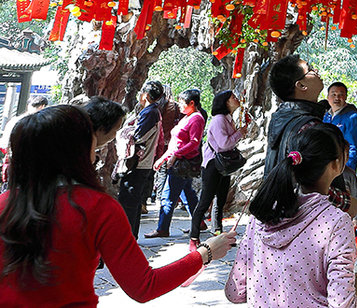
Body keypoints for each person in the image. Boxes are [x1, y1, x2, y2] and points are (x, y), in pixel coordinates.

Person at [0, 105, 236, 306]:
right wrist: (205, 253)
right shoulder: (98, 209)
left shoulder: (4, 203)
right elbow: (144, 286)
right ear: (78, 148)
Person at [225, 123, 357, 307]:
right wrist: (356, 290)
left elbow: (235, 293)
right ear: (336, 164)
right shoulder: (336, 222)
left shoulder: (262, 215)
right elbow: (341, 304)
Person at [190, 90, 246, 249]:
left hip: (223, 165)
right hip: (213, 165)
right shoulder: (219, 120)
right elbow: (224, 144)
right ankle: (193, 237)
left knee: (220, 200)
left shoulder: (228, 119)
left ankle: (218, 233)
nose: (236, 99)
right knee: (205, 201)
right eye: (233, 98)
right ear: (225, 102)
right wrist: (240, 133)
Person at [147, 89, 205, 239]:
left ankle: (162, 228)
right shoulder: (187, 117)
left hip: (182, 163)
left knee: (168, 196)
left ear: (192, 103)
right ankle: (199, 222)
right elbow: (176, 143)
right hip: (177, 159)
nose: (179, 105)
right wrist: (163, 158)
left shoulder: (196, 119)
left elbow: (194, 143)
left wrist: (175, 156)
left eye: (182, 102)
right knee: (187, 194)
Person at [265, 55, 330, 175]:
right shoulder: (308, 126)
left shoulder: (281, 117)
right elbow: (315, 180)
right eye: (310, 69)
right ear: (301, 85)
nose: (316, 71)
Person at [117, 81, 164, 237]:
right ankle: (131, 236)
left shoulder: (150, 112)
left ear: (146, 95)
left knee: (128, 200)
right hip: (143, 162)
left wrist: (125, 131)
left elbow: (138, 136)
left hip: (138, 163)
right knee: (133, 200)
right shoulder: (152, 111)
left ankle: (127, 237)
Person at [323, 82, 357, 210]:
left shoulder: (352, 117)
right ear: (327, 97)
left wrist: (347, 168)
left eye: (340, 95)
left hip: (343, 167)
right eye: (333, 94)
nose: (336, 98)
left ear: (345, 97)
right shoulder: (327, 115)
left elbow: (353, 146)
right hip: (327, 166)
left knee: (345, 202)